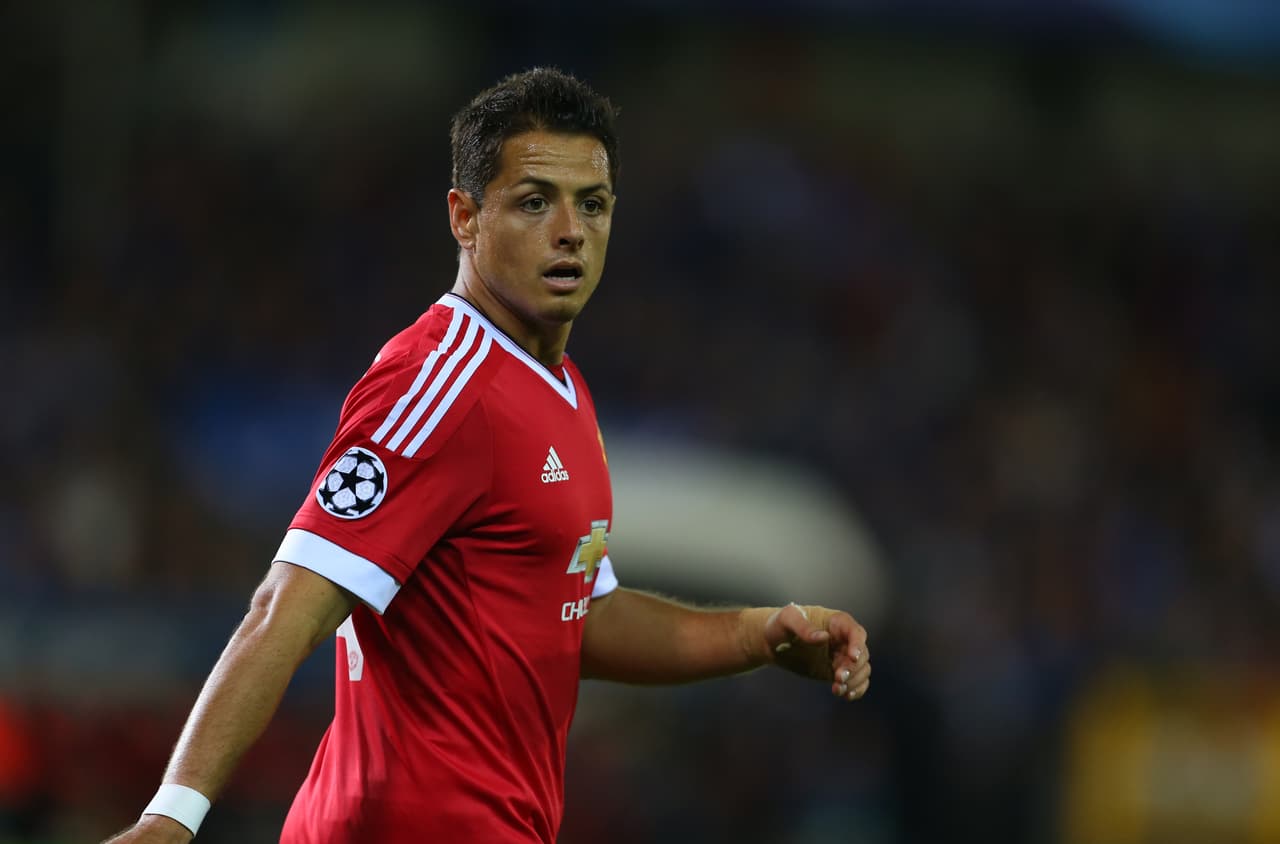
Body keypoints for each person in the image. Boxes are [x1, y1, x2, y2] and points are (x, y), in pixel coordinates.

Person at [104, 67, 871, 844]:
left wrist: (760, 636)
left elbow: (579, 617)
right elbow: (286, 606)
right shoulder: (439, 382)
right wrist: (174, 815)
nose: (570, 230)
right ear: (465, 217)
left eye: (593, 204)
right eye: (535, 202)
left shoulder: (562, 390)